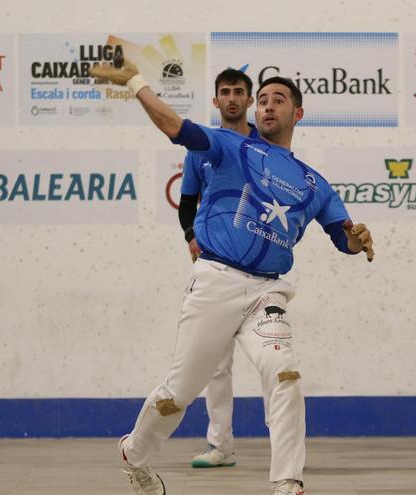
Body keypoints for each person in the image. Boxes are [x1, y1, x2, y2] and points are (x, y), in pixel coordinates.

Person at [91, 59, 375, 495]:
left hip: (268, 290)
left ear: (297, 113)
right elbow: (173, 125)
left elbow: (345, 237)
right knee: (178, 394)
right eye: (261, 101)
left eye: (278, 100)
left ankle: (287, 482)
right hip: (215, 279)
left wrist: (357, 239)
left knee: (284, 372)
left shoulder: (314, 183)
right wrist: (135, 81)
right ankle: (136, 454)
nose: (266, 107)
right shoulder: (226, 145)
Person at [179, 68, 257, 469]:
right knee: (216, 362)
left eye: (238, 92)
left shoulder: (267, 146)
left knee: (276, 363)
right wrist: (192, 236)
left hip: (261, 274)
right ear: (215, 101)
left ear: (250, 100)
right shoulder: (201, 147)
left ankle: (289, 450)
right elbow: (187, 202)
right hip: (215, 268)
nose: (231, 98)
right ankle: (220, 445)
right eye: (224, 92)